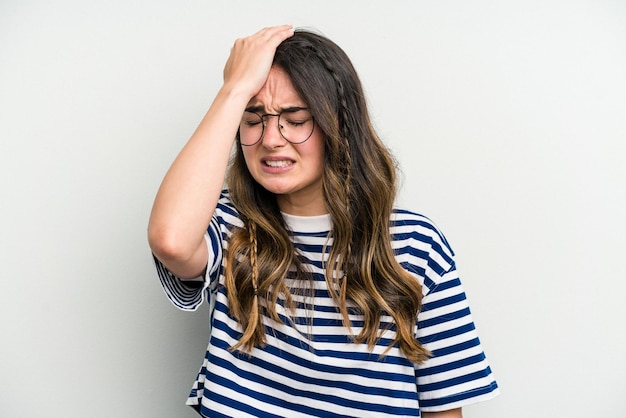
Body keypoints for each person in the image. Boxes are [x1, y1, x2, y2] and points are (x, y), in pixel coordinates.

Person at [148, 25, 499, 418]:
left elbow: (443, 404)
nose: (270, 139)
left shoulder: (414, 244)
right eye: (253, 117)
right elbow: (172, 240)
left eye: (295, 118)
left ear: (340, 126)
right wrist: (233, 89)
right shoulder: (230, 226)